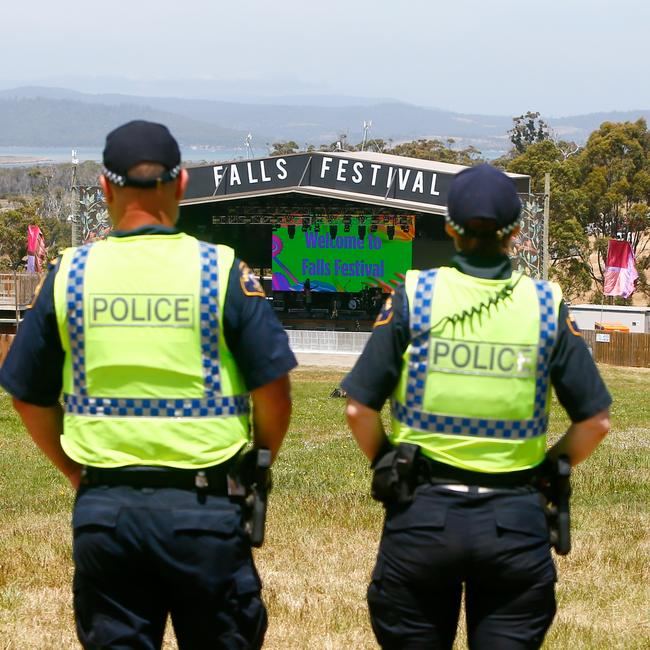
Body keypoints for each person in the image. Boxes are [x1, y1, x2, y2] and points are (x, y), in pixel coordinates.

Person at [0, 120, 297, 649]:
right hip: (205, 510)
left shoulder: (70, 273)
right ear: (181, 184)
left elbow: (25, 392)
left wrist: (75, 471)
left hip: (106, 511)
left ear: (105, 188)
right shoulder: (220, 270)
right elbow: (274, 388)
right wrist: (261, 459)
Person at [342, 164, 611, 650]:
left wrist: (388, 462)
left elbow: (359, 410)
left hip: (422, 517)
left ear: (449, 226)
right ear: (515, 232)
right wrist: (549, 468)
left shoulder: (416, 297)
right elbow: (595, 420)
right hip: (515, 522)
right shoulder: (544, 303)